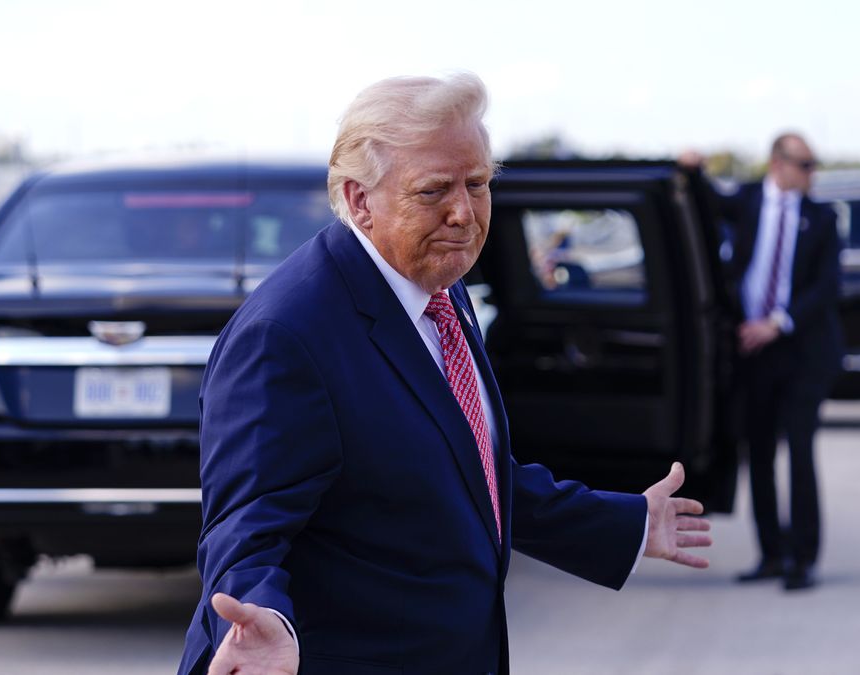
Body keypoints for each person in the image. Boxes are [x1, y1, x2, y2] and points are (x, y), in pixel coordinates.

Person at [178, 73, 712, 675]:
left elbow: (469, 471)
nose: (463, 212)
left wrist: (623, 526)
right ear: (359, 200)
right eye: (434, 191)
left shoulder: (438, 288)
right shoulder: (285, 335)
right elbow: (245, 526)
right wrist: (262, 618)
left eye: (478, 184)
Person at [696, 134, 844, 592]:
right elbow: (704, 203)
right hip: (753, 351)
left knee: (799, 449)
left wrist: (778, 323)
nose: (811, 172)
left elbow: (826, 287)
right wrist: (692, 170)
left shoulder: (822, 218)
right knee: (757, 451)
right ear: (778, 164)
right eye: (805, 163)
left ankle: (803, 558)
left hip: (802, 350)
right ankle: (771, 554)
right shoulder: (747, 202)